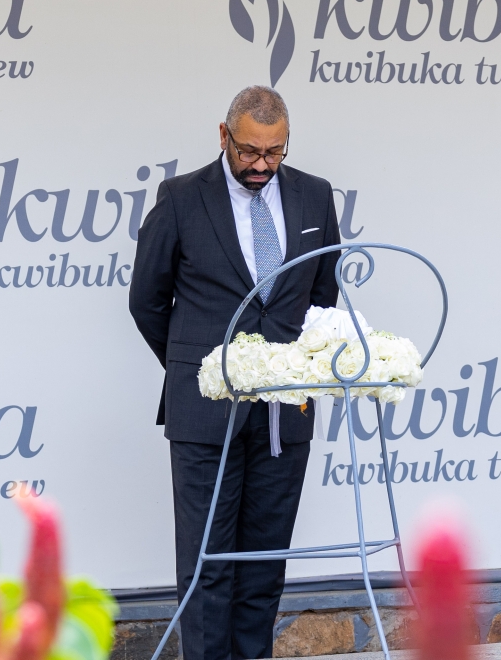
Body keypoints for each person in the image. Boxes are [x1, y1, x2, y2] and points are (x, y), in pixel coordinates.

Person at [129, 86, 342, 659]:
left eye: (274, 153)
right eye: (249, 151)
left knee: (263, 565)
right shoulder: (179, 198)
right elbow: (147, 301)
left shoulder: (315, 197)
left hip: (286, 414)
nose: (261, 166)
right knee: (208, 568)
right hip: (204, 414)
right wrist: (199, 371)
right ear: (223, 136)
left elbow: (323, 300)